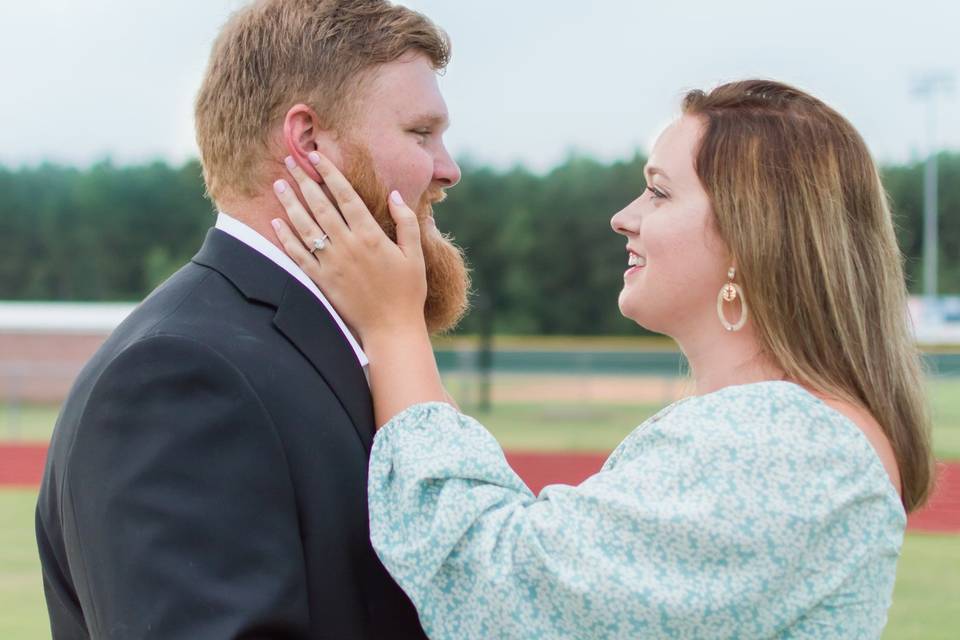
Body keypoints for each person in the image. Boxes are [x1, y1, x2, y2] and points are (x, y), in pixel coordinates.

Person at [272, 79, 936, 638]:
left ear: (748, 233)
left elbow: (502, 591)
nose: (624, 217)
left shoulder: (788, 444)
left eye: (659, 192)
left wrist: (393, 330)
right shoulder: (782, 432)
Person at [35, 1, 468, 637]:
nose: (448, 168)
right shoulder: (179, 376)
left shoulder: (326, 346)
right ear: (309, 142)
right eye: (420, 133)